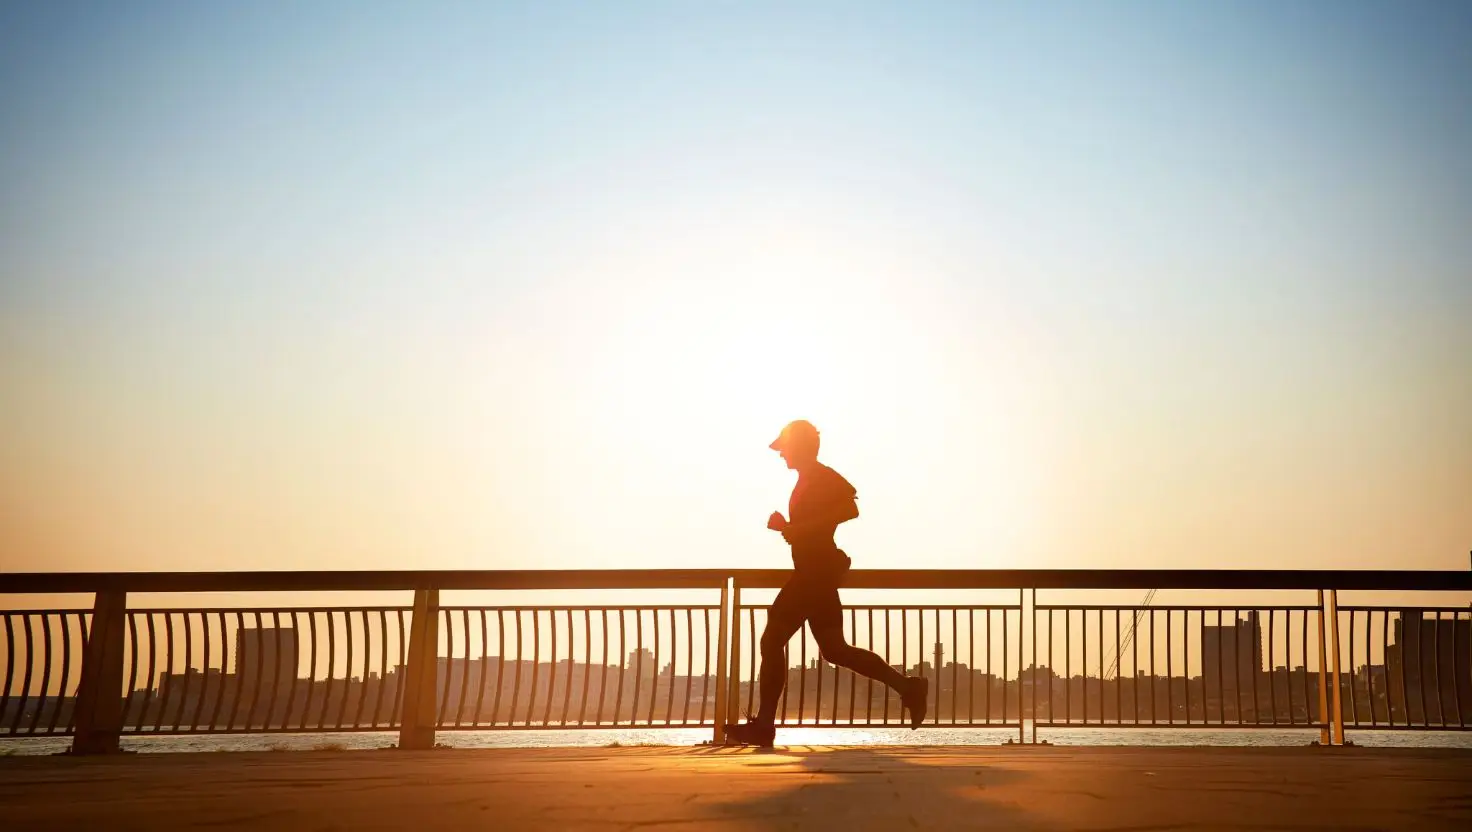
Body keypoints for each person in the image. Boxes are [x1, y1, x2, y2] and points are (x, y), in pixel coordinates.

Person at [724, 419, 928, 747]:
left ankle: (764, 726)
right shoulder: (807, 480)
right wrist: (789, 527)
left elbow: (849, 509)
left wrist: (795, 529)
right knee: (835, 650)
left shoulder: (821, 476)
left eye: (785, 449)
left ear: (800, 447)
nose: (781, 456)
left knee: (771, 641)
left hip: (813, 575)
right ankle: (908, 687)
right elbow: (812, 525)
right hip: (816, 574)